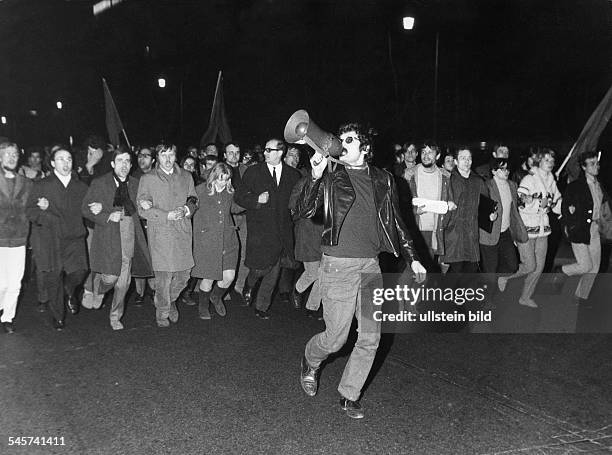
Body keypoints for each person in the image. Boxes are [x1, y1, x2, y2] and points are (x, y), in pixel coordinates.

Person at [294, 122, 426, 419]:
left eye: (349, 139)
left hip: (370, 266)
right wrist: (314, 176)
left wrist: (414, 257)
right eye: (340, 140)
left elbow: (397, 222)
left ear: (365, 148)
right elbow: (303, 211)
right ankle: (310, 359)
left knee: (370, 336)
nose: (342, 144)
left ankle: (349, 394)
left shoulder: (384, 179)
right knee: (336, 339)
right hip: (338, 267)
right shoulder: (331, 175)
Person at [82, 149, 152, 330]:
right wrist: (105, 215)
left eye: (127, 161)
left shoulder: (137, 183)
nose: (124, 164)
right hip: (107, 238)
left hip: (128, 238)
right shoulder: (100, 183)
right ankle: (96, 287)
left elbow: (143, 209)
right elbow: (85, 209)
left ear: (131, 165)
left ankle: (115, 316)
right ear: (113, 164)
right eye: (120, 160)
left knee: (123, 284)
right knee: (110, 278)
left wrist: (146, 205)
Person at [234, 138, 301, 319]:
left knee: (274, 272)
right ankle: (250, 283)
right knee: (259, 268)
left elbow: (298, 201)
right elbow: (239, 197)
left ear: (280, 152)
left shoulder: (293, 175)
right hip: (260, 231)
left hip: (282, 230)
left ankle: (261, 307)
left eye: (269, 150)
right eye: (264, 149)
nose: (264, 153)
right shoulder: (253, 172)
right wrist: (256, 200)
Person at [26, 147, 89, 330]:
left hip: (75, 237)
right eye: (60, 159)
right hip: (51, 239)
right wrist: (46, 215)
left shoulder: (81, 187)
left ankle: (70, 292)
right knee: (53, 278)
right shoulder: (42, 185)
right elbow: (30, 210)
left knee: (80, 271)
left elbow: (87, 209)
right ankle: (58, 316)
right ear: (53, 163)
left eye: (69, 159)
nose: (65, 162)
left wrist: (97, 209)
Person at [136, 144, 197, 327]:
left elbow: (194, 198)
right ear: (157, 158)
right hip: (160, 234)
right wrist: (164, 215)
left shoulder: (186, 176)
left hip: (182, 233)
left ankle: (168, 302)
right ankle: (162, 312)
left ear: (176, 156)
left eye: (171, 155)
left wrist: (187, 209)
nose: (168, 159)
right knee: (163, 279)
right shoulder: (148, 179)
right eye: (164, 155)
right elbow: (141, 209)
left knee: (184, 276)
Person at [499, 149, 561, 308]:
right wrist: (535, 202)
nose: (550, 163)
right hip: (526, 228)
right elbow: (520, 201)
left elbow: (558, 202)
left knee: (538, 268)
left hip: (543, 229)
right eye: (546, 160)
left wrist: (560, 207)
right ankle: (505, 277)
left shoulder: (551, 180)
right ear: (539, 161)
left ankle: (525, 297)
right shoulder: (529, 179)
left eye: (552, 160)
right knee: (529, 266)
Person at [192, 163, 242, 319]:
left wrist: (254, 201)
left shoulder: (229, 192)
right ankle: (203, 306)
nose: (223, 183)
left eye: (227, 179)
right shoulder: (200, 191)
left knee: (229, 277)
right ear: (213, 177)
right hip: (208, 241)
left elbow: (235, 208)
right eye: (220, 179)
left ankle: (215, 296)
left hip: (228, 240)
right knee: (209, 277)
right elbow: (190, 209)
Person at [559, 151, 607, 302]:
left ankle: (581, 296)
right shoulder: (576, 186)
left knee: (594, 268)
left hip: (594, 230)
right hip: (579, 230)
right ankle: (561, 271)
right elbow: (566, 208)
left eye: (596, 163)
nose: (596, 166)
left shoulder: (599, 185)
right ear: (584, 167)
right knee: (585, 265)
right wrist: (571, 226)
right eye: (592, 164)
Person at [405, 142, 455, 270]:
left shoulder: (445, 176)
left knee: (428, 271)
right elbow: (401, 202)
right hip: (415, 229)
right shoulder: (409, 174)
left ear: (437, 156)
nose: (426, 156)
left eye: (430, 152)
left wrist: (450, 206)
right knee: (412, 271)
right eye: (423, 152)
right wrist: (415, 210)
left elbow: (450, 201)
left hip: (435, 232)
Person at [0, 142, 33, 333]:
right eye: (7, 154)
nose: (11, 158)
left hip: (20, 238)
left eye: (14, 154)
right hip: (0, 238)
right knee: (2, 283)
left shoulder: (27, 183)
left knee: (15, 282)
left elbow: (33, 207)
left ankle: (8, 318)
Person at [443, 147, 489, 273]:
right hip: (453, 234)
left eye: (469, 158)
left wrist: (491, 215)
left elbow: (486, 206)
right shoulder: (448, 180)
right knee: (455, 273)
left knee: (471, 272)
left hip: (471, 235)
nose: (467, 161)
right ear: (456, 161)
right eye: (463, 158)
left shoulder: (478, 181)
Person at [479, 158, 528, 276]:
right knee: (490, 271)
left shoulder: (512, 185)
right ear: (494, 171)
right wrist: (488, 216)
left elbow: (514, 209)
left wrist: (525, 201)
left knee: (512, 266)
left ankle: (499, 281)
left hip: (505, 232)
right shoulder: (487, 185)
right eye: (502, 169)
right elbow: (479, 208)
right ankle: (489, 291)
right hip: (489, 234)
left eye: (507, 169)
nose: (506, 171)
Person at [131, 146, 156, 305]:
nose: (142, 159)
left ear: (153, 160)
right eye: (140, 155)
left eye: (146, 156)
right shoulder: (133, 177)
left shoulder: (158, 177)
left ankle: (154, 290)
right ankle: (139, 292)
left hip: (154, 222)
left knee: (154, 258)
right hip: (137, 222)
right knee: (139, 257)